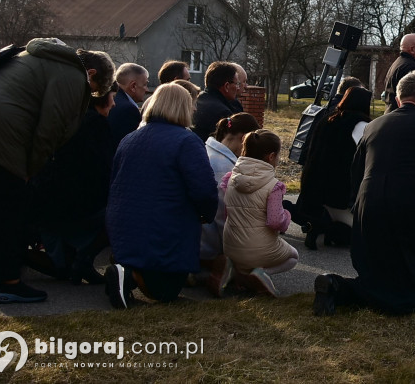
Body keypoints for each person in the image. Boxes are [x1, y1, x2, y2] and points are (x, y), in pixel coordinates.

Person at [0, 39, 114, 304]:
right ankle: (9, 283)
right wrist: (30, 168)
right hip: (3, 135)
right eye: (94, 91)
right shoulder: (74, 75)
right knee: (10, 213)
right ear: (92, 74)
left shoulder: (36, 58)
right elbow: (50, 130)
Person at [313, 71, 415, 316]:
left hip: (370, 206)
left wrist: (357, 206)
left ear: (399, 100)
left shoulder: (373, 126)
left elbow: (356, 172)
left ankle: (339, 286)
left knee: (381, 272)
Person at [105, 83, 218, 308]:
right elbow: (203, 189)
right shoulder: (187, 141)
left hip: (125, 223)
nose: (194, 110)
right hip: (165, 224)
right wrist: (207, 214)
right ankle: (129, 275)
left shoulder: (131, 138)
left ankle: (127, 268)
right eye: (192, 105)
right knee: (166, 292)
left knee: (154, 271)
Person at [28, 82, 119, 285]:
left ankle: (70, 262)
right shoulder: (94, 123)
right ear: (102, 97)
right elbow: (102, 169)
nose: (114, 104)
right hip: (73, 204)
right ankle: (82, 260)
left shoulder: (67, 117)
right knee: (118, 213)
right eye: (112, 97)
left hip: (48, 201)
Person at [221, 129, 299, 297]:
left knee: (246, 254)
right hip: (259, 250)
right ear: (271, 157)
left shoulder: (230, 178)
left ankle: (236, 272)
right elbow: (275, 221)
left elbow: (226, 210)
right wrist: (287, 216)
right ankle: (258, 276)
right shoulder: (273, 186)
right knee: (293, 256)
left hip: (230, 246)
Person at [295, 85, 373, 249]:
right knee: (361, 235)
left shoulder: (327, 120)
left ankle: (318, 224)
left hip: (316, 184)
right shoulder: (361, 125)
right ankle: (331, 228)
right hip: (341, 189)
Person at [199, 112, 260, 295]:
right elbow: (224, 218)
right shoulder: (224, 167)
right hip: (211, 245)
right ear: (243, 138)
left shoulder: (207, 150)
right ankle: (226, 271)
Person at [191, 61, 241, 140]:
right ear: (227, 86)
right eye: (237, 84)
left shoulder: (196, 101)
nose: (238, 88)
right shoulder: (223, 113)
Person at [383, 33, 415, 112]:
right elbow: (413, 98)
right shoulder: (411, 68)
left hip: (392, 113)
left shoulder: (398, 63)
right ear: (412, 49)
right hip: (404, 117)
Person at [109, 63, 149, 145]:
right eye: (145, 84)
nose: (147, 90)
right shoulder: (128, 110)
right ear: (133, 86)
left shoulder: (112, 100)